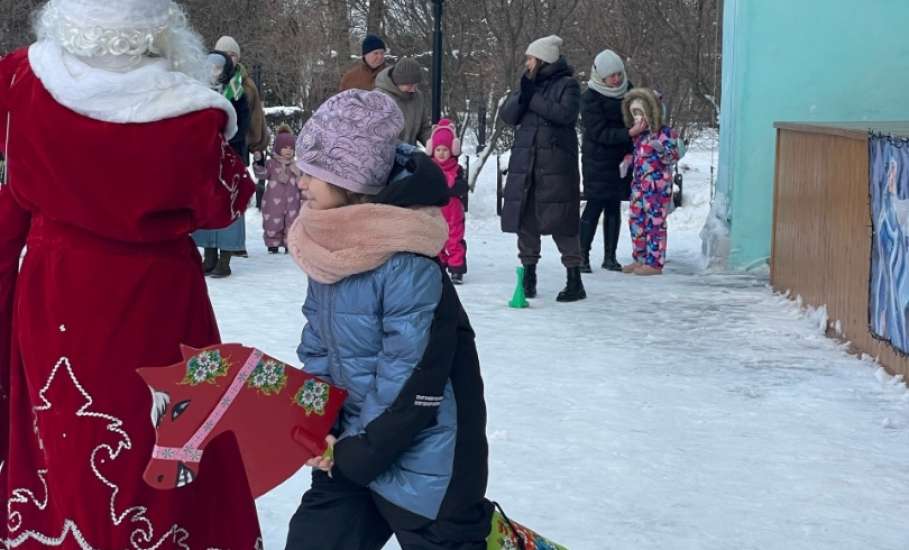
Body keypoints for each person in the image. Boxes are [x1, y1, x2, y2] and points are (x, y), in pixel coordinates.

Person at [0, 0, 260, 546]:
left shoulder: (22, 78)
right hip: (157, 299)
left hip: (56, 291)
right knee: (159, 435)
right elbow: (225, 202)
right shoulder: (190, 112)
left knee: (62, 431)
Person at [283, 90, 492, 549]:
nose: (299, 180)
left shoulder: (405, 263)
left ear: (349, 179)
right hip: (353, 448)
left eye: (312, 172)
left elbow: (410, 378)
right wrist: (320, 423)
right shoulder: (329, 247)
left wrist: (355, 451)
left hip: (426, 461)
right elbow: (317, 346)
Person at [499, 35, 586, 302]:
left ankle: (574, 280)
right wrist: (523, 94)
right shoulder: (528, 83)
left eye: (530, 58)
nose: (527, 63)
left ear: (542, 59)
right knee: (527, 221)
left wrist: (532, 97)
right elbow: (508, 116)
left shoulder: (568, 85)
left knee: (562, 221)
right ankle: (528, 276)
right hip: (527, 165)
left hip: (556, 167)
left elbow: (564, 115)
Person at [193, 50, 252, 278]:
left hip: (229, 155)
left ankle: (225, 258)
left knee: (228, 201)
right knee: (208, 203)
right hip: (206, 157)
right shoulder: (200, 91)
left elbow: (243, 122)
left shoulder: (236, 92)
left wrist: (225, 137)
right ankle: (209, 255)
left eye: (218, 68)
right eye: (211, 67)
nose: (214, 72)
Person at [580, 49, 634, 273]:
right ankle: (582, 256)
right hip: (597, 160)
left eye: (619, 74)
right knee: (594, 205)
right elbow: (599, 133)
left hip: (621, 160)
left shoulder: (629, 92)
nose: (617, 80)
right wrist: (629, 133)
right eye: (612, 76)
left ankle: (610, 256)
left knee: (614, 206)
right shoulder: (590, 98)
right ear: (601, 77)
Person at [621, 87, 681, 275]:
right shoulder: (639, 135)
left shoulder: (666, 133)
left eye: (641, 113)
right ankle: (639, 258)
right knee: (636, 221)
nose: (639, 118)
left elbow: (673, 156)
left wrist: (663, 151)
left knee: (654, 223)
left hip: (657, 187)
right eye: (635, 114)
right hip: (639, 185)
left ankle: (654, 262)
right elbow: (637, 155)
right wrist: (627, 162)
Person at [427, 119, 469, 284]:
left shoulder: (457, 169)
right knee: (436, 238)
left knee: (454, 240)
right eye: (438, 149)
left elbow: (462, 187)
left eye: (445, 149)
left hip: (453, 211)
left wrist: (447, 185)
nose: (441, 153)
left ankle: (456, 268)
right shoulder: (429, 169)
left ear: (452, 150)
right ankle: (440, 263)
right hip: (435, 210)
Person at [254, 125, 302, 253]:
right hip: (273, 201)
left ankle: (289, 243)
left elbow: (302, 182)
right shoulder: (271, 163)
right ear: (278, 148)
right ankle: (272, 243)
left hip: (293, 201)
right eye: (285, 147)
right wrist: (259, 163)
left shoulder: (296, 166)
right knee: (272, 221)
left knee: (292, 222)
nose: (288, 150)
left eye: (291, 148)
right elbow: (261, 174)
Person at [374, 57, 432, 146]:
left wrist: (435, 143)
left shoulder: (418, 97)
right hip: (386, 155)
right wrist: (406, 151)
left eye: (415, 85)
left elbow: (424, 128)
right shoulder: (379, 98)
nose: (413, 89)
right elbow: (378, 134)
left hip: (410, 155)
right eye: (409, 85)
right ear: (398, 81)